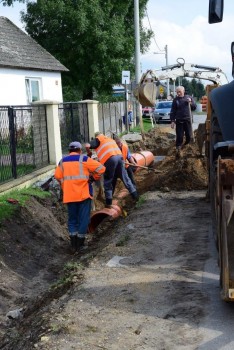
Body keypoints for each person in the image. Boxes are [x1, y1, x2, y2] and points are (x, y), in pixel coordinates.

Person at [54, 141, 106, 253]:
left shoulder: (62, 162)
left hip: (69, 196)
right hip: (83, 195)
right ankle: (80, 245)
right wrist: (93, 178)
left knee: (72, 220)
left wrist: (64, 186)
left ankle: (73, 245)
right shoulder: (84, 160)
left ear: (69, 151)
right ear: (79, 150)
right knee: (83, 219)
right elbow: (101, 168)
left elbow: (57, 176)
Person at [85, 132, 139, 208]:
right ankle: (136, 197)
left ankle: (109, 203)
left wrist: (89, 152)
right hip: (120, 158)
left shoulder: (98, 139)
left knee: (108, 181)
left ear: (96, 137)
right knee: (126, 179)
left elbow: (87, 145)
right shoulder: (109, 139)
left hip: (110, 159)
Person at [170, 86, 197, 157]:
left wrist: (190, 102)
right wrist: (172, 121)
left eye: (180, 92)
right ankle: (178, 150)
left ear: (183, 91)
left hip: (188, 120)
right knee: (179, 136)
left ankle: (187, 148)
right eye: (177, 92)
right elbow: (173, 111)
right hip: (179, 121)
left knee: (189, 136)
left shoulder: (189, 98)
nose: (178, 93)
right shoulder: (175, 100)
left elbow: (194, 107)